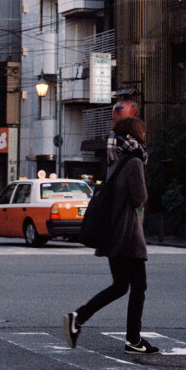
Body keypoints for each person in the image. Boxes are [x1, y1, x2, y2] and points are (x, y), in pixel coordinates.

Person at [63, 113, 158, 356]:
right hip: (127, 234)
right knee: (138, 286)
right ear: (135, 135)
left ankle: (78, 317)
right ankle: (133, 340)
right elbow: (139, 198)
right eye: (142, 132)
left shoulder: (114, 159)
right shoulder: (134, 161)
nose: (144, 136)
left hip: (113, 233)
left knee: (120, 286)